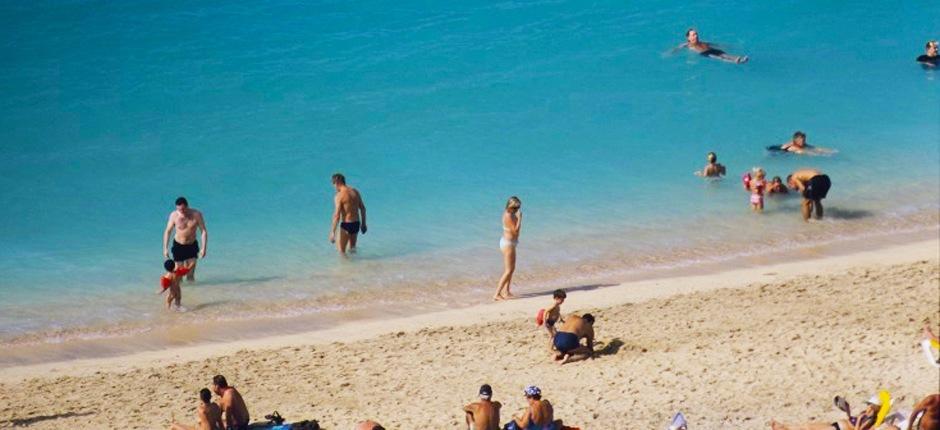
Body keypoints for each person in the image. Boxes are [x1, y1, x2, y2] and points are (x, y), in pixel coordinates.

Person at [770, 394, 883, 430]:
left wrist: (858, 419)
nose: (867, 406)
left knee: (809, 429)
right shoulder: (865, 413)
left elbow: (857, 429)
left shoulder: (871, 419)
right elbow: (852, 419)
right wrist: (849, 414)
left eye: (869, 404)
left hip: (839, 429)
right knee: (807, 426)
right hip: (836, 424)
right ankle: (784, 426)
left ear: (874, 407)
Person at [163, 197, 207, 281]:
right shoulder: (174, 215)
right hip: (178, 246)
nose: (181, 211)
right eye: (179, 209)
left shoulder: (196, 214)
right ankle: (179, 293)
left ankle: (192, 292)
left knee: (190, 275)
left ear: (187, 206)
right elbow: (167, 231)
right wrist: (165, 248)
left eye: (183, 209)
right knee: (179, 276)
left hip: (192, 245)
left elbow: (203, 231)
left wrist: (203, 248)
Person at [329, 173, 367, 255]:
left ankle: (345, 267)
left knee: (342, 252)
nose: (334, 187)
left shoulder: (339, 196)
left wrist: (332, 232)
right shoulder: (355, 191)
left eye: (333, 184)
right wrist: (363, 224)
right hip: (356, 224)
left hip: (346, 225)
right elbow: (363, 209)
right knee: (352, 249)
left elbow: (337, 215)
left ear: (337, 182)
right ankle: (355, 266)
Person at [494, 196, 522, 301]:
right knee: (508, 270)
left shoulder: (511, 214)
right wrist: (520, 219)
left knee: (512, 269)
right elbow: (515, 231)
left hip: (511, 243)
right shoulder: (508, 216)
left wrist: (517, 218)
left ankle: (507, 291)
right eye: (515, 208)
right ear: (509, 206)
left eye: (518, 208)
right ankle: (496, 294)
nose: (517, 210)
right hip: (508, 244)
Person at [675, 28, 748, 64]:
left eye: (696, 34)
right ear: (688, 37)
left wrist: (725, 46)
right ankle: (736, 62)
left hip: (710, 49)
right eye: (693, 35)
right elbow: (677, 49)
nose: (696, 36)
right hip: (705, 53)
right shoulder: (687, 45)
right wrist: (670, 53)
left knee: (723, 54)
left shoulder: (703, 42)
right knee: (719, 58)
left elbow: (714, 44)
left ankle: (740, 58)